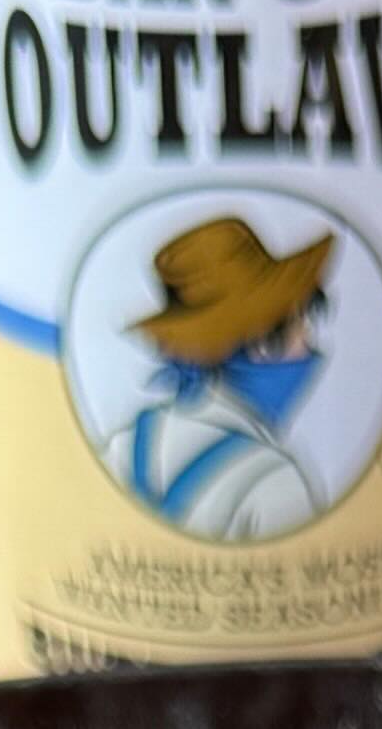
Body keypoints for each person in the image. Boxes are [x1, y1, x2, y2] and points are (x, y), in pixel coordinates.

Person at [100, 214, 339, 539]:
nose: (310, 346)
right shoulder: (274, 482)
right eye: (302, 326)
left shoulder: (121, 445)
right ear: (264, 343)